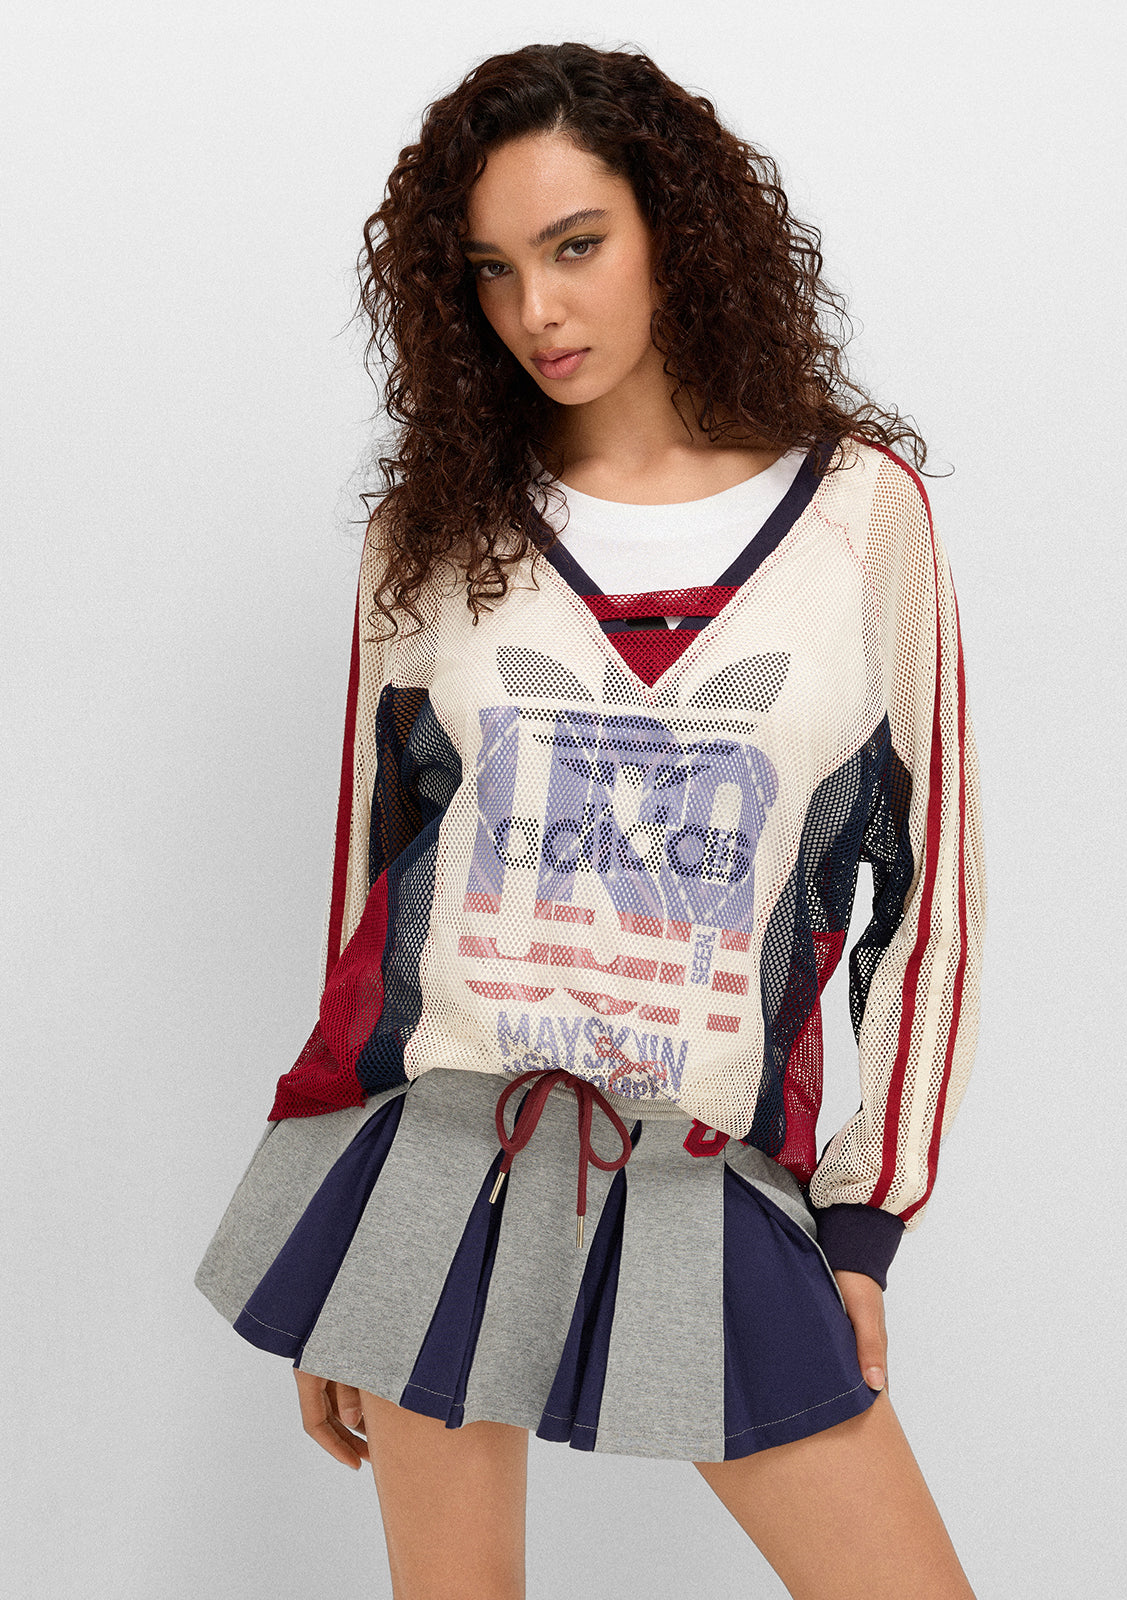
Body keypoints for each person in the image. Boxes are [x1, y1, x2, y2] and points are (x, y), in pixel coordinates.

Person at [195, 40, 986, 1600]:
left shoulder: (859, 515)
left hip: (697, 1155)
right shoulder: (433, 533)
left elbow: (929, 900)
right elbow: (374, 889)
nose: (536, 311)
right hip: (436, 1153)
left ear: (673, 229)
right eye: (492, 270)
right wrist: (339, 1234)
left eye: (575, 246)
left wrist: (862, 1224)